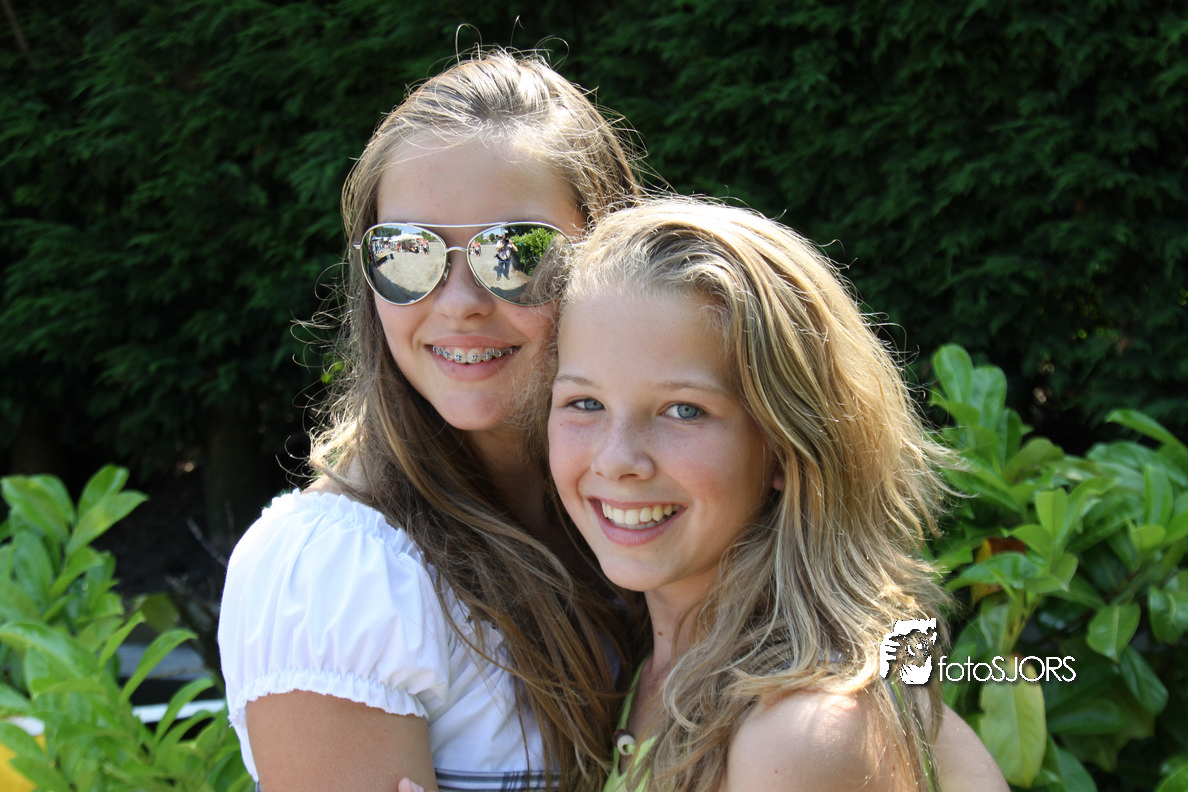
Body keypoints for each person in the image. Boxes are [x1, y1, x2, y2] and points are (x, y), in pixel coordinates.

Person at [217, 48, 644, 792]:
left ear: (611, 258)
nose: (459, 303)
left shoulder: (655, 501)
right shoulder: (339, 573)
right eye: (408, 255)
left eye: (515, 253)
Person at [542, 197, 1009, 792]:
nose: (615, 460)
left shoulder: (795, 734)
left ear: (787, 448)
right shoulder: (639, 658)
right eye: (585, 403)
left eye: (684, 410)